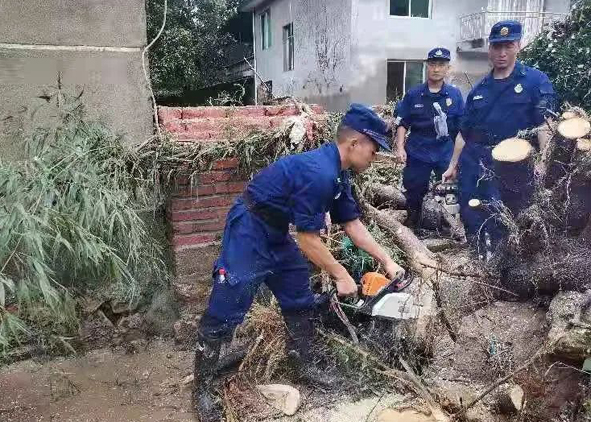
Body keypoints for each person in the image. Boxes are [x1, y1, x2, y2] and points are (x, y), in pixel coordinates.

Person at [193, 103, 405, 422]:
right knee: (230, 299)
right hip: (250, 228)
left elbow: (352, 224)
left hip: (276, 230)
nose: (374, 158)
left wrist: (387, 261)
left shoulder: (338, 176)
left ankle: (305, 363)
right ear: (355, 143)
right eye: (374, 151)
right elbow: (308, 240)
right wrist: (340, 274)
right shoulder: (319, 173)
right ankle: (203, 388)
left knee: (297, 290)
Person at [442, 20, 556, 254]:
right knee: (471, 215)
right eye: (497, 46)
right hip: (475, 162)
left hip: (512, 166)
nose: (502, 53)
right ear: (490, 49)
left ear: (518, 46)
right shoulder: (479, 90)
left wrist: (544, 162)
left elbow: (544, 125)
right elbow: (464, 133)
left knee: (506, 221)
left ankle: (504, 268)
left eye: (508, 45)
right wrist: (452, 165)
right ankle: (477, 263)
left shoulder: (535, 81)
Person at [394, 48, 465, 230]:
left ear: (448, 68)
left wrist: (459, 158)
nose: (436, 69)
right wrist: (400, 147)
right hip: (419, 149)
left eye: (441, 65)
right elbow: (403, 123)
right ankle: (414, 224)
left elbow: (461, 129)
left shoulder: (454, 95)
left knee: (449, 191)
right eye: (433, 64)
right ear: (427, 66)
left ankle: (448, 227)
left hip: (445, 150)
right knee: (414, 190)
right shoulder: (414, 94)